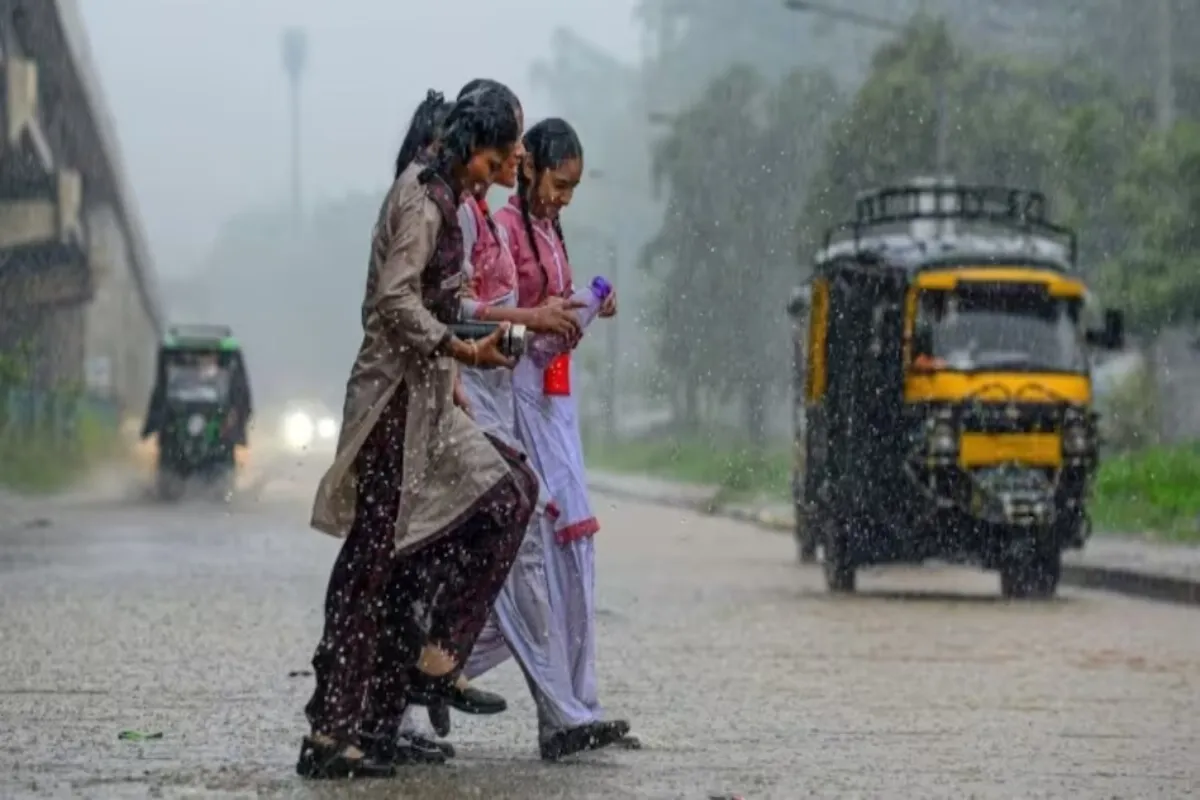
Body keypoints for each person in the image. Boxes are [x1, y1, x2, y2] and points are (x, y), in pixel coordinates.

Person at [299, 89, 537, 781]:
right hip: (393, 403)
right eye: (509, 147)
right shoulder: (424, 199)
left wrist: (494, 328)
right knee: (372, 564)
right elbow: (393, 301)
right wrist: (461, 350)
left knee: (505, 495)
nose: (516, 157)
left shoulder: (453, 199)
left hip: (431, 401)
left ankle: (430, 667)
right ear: (478, 148)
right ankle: (333, 732)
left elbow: (440, 298)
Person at [391, 87, 626, 763]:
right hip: (477, 393)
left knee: (531, 557)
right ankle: (544, 707)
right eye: (513, 146)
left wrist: (566, 311)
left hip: (516, 391)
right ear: (491, 152)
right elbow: (433, 307)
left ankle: (543, 702)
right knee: (506, 552)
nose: (518, 154)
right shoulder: (446, 211)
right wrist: (511, 333)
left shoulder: (489, 217)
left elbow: (475, 307)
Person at [494, 117, 632, 759]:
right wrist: (542, 317)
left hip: (557, 401)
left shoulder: (550, 231)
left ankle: (580, 703)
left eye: (573, 188)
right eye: (557, 183)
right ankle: (560, 712)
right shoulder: (499, 229)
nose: (562, 198)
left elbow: (552, 310)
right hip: (516, 401)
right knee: (531, 565)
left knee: (575, 556)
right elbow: (487, 317)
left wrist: (586, 304)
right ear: (526, 168)